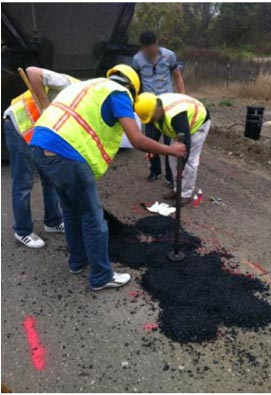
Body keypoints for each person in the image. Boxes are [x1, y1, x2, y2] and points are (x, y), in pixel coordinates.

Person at [30, 65, 186, 291]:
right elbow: (137, 140)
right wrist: (172, 150)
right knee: (93, 218)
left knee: (72, 211)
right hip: (65, 154)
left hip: (39, 146)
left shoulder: (88, 85)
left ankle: (77, 261)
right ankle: (101, 276)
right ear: (133, 87)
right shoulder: (118, 93)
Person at [3, 67, 78, 248]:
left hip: (43, 131)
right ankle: (22, 230)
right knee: (24, 182)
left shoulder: (81, 106)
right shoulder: (68, 84)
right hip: (20, 126)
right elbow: (32, 72)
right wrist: (46, 109)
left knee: (50, 177)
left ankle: (52, 221)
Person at [134, 92, 211, 206]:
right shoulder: (152, 110)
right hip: (179, 128)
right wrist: (151, 150)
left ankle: (186, 194)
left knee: (189, 161)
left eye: (151, 118)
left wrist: (181, 168)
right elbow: (154, 133)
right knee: (172, 155)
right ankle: (177, 189)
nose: (150, 121)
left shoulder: (175, 115)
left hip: (198, 125)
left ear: (157, 109)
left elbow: (185, 143)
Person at [132, 31, 185, 186]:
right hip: (149, 107)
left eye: (152, 47)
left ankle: (170, 176)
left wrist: (182, 98)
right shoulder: (137, 60)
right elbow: (136, 82)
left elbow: (177, 77)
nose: (150, 51)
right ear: (142, 47)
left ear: (157, 42)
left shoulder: (169, 56)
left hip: (168, 107)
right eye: (146, 48)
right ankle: (155, 171)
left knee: (171, 144)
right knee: (150, 143)